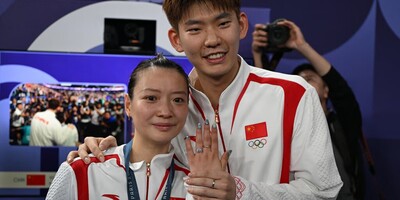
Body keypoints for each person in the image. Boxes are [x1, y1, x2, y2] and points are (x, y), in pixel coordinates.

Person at [69, 1, 342, 199]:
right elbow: (147, 168)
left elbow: (324, 191)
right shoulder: (171, 106)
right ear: (176, 39)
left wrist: (241, 191)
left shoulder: (293, 94)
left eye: (223, 24)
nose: (212, 40)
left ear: (242, 25)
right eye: (195, 29)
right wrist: (106, 154)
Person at [47, 54, 229, 200]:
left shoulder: (196, 186)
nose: (165, 111)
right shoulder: (83, 170)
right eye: (151, 98)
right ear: (128, 105)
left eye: (178, 100)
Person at [252, 20, 365, 199]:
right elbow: (261, 101)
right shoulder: (286, 125)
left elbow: (340, 89)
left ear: (326, 90)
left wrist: (301, 46)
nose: (303, 82)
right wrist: (257, 55)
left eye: (310, 78)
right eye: (299, 80)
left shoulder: (342, 123)